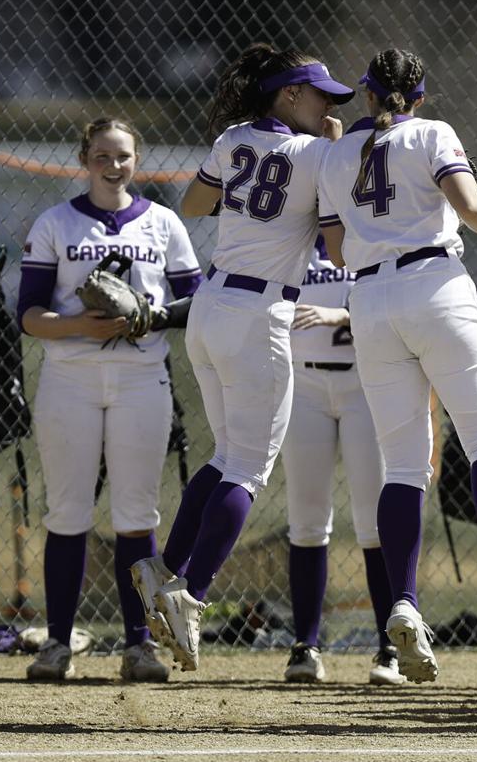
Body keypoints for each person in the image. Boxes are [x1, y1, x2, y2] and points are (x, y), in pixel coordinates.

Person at [316, 48, 477, 684]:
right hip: (435, 284)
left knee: (403, 463)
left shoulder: (336, 153)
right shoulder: (432, 132)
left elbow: (337, 247)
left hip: (368, 300)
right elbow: (466, 198)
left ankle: (402, 601)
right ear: (419, 96)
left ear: (367, 95)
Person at [129, 43, 354, 672]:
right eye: (319, 96)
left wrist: (257, 194)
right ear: (288, 95)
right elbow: (336, 252)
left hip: (209, 305)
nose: (328, 106)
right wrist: (328, 163)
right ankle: (190, 595)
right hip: (262, 317)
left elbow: (194, 205)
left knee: (226, 454)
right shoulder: (317, 154)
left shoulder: (233, 137)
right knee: (250, 469)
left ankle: (164, 567)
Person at [17, 117, 203, 682]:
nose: (113, 164)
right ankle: (56, 644)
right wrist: (80, 327)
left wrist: (152, 316)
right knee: (67, 513)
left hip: (141, 378)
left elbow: (196, 300)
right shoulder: (56, 222)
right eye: (102, 154)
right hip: (70, 380)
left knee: (136, 516)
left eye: (122, 155)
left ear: (135, 159)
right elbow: (29, 315)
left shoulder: (163, 222)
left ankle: (139, 644)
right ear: (85, 158)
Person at [278, 235, 401, 685]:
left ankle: (391, 645)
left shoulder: (373, 237)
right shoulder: (288, 242)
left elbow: (397, 308)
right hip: (304, 384)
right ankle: (305, 645)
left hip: (364, 385)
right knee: (307, 520)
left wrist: (345, 314)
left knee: (374, 522)